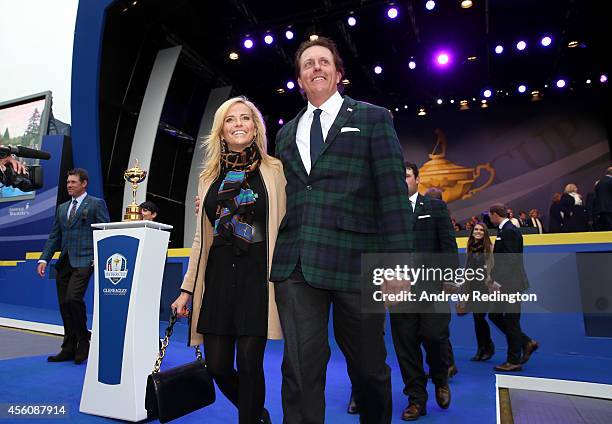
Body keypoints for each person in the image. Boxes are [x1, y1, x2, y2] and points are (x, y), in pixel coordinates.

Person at [270, 36, 413, 424]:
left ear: (338, 73)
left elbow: (393, 195)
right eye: (307, 64)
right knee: (299, 371)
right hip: (297, 265)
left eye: (323, 62)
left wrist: (397, 265)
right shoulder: (284, 134)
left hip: (357, 263)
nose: (316, 67)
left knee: (368, 369)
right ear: (300, 80)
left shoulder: (372, 117)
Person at [171, 96, 286, 424]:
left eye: (245, 118)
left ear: (255, 128)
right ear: (221, 129)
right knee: (218, 366)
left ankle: (250, 418)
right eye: (230, 119)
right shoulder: (208, 177)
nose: (238, 124)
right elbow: (200, 238)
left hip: (257, 280)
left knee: (251, 364)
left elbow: (286, 221)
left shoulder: (274, 170)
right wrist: (187, 289)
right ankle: (257, 413)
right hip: (218, 279)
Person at [388, 162, 457, 421]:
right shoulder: (387, 212)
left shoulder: (435, 207)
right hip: (398, 291)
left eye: (406, 176)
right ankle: (417, 399)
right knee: (405, 347)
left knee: (435, 337)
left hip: (432, 288)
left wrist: (450, 279)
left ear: (418, 179)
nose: (402, 180)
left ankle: (440, 377)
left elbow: (448, 246)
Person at [37, 168, 110, 364]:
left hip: (86, 261)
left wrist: (99, 256)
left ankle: (83, 340)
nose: (69, 185)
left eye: (73, 182)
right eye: (68, 182)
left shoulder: (96, 204)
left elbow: (104, 231)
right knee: (64, 305)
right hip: (65, 262)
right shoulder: (62, 208)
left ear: (84, 183)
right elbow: (55, 236)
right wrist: (44, 259)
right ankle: (69, 347)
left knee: (73, 298)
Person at [487, 204, 538, 372]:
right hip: (507, 283)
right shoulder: (506, 230)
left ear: (495, 214)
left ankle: (513, 360)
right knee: (495, 315)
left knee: (511, 321)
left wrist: (499, 283)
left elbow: (510, 260)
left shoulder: (508, 230)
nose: (489, 219)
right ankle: (526, 342)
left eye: (490, 216)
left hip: (510, 284)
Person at [463, 222, 495, 361]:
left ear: (485, 232)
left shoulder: (489, 247)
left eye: (481, 230)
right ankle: (481, 348)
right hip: (472, 286)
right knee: (477, 319)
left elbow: (492, 267)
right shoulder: (470, 246)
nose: (478, 231)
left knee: (479, 317)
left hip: (484, 287)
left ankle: (487, 347)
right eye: (476, 229)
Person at [594, 166, 612, 230]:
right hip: (610, 208)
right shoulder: (610, 181)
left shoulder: (599, 182)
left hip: (600, 208)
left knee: (603, 228)